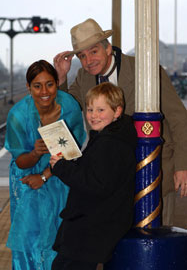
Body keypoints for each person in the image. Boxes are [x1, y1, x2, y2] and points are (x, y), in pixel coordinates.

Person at [53, 18, 187, 226]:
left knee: (155, 236)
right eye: (82, 55)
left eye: (93, 51)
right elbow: (67, 113)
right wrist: (61, 79)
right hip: (110, 178)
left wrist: (182, 166)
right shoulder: (83, 77)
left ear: (108, 48)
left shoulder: (146, 71)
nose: (88, 60)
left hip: (152, 169)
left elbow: (179, 118)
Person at [4, 60, 86, 270]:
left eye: (49, 84)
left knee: (60, 232)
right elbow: (20, 161)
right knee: (29, 237)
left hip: (61, 176)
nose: (44, 91)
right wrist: (35, 153)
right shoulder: (18, 115)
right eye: (37, 86)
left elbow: (72, 152)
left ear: (57, 83)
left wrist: (45, 176)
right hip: (27, 179)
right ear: (28, 87)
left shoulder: (69, 106)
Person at [49, 82, 137, 270]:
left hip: (92, 226)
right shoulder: (112, 137)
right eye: (90, 109)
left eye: (100, 110)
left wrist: (63, 167)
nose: (93, 115)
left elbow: (97, 184)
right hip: (94, 223)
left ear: (117, 111)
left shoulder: (110, 143)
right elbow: (97, 174)